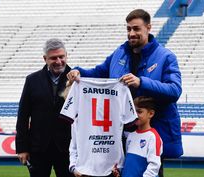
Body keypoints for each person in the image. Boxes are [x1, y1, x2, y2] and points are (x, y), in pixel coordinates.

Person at [67, 9, 183, 177]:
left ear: (148, 28)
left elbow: (175, 90)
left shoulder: (166, 57)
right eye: (128, 29)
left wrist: (141, 81)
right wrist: (78, 72)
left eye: (136, 29)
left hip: (152, 132)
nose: (131, 33)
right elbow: (98, 72)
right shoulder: (119, 53)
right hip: (121, 135)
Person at [16, 38, 74, 177]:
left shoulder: (78, 79)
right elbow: (23, 115)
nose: (59, 61)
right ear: (45, 59)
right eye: (53, 58)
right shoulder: (32, 80)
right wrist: (22, 148)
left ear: (67, 55)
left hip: (69, 149)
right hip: (38, 149)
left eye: (61, 57)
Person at [117, 96, 163, 177]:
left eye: (139, 111)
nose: (136, 115)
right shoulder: (130, 136)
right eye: (134, 111)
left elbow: (154, 165)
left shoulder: (153, 137)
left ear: (151, 114)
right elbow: (128, 163)